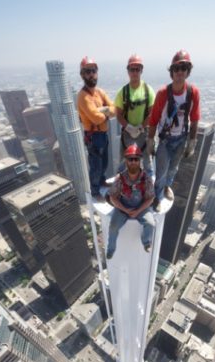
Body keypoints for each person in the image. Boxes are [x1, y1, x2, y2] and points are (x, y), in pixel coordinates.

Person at [145, 49, 201, 211]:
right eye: (176, 68)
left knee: (174, 168)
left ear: (188, 71)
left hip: (181, 138)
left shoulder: (193, 93)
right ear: (172, 72)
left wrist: (192, 141)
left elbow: (195, 119)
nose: (180, 72)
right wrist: (150, 141)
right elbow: (154, 119)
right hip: (165, 139)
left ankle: (166, 187)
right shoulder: (163, 93)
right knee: (161, 170)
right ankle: (157, 195)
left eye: (183, 68)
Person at [105, 144, 155, 259]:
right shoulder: (120, 179)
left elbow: (150, 198)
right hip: (123, 207)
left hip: (140, 207)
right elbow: (113, 197)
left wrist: (138, 211)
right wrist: (125, 209)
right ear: (126, 161)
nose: (133, 162)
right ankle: (111, 249)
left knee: (150, 223)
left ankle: (146, 243)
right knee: (113, 227)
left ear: (140, 161)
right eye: (130, 159)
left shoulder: (146, 179)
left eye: (136, 159)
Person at [76, 56, 115, 200]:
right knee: (96, 166)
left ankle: (102, 181)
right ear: (82, 75)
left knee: (104, 162)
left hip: (103, 134)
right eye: (87, 71)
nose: (91, 74)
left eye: (93, 70)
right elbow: (96, 118)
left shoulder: (99, 92)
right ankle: (95, 192)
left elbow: (114, 108)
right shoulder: (83, 97)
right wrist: (106, 112)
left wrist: (103, 111)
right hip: (93, 136)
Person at [114, 54, 156, 179]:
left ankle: (150, 185)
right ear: (128, 71)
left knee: (147, 161)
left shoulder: (148, 90)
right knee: (123, 161)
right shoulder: (123, 92)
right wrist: (129, 127)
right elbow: (118, 114)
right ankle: (120, 184)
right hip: (127, 133)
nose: (135, 72)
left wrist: (140, 127)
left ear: (141, 71)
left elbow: (152, 113)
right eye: (132, 69)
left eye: (137, 69)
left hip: (144, 131)